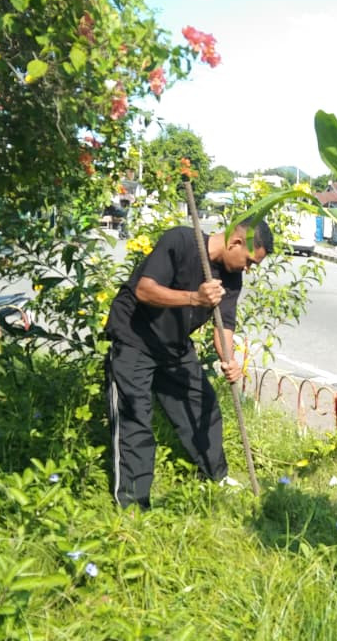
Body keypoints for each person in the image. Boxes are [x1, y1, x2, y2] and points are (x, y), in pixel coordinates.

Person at [105, 218, 273, 508]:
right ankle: (132, 506)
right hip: (135, 339)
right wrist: (194, 297)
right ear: (235, 242)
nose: (247, 269)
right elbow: (144, 290)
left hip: (174, 346)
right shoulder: (181, 241)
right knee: (135, 419)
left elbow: (225, 327)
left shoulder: (231, 278)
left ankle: (216, 476)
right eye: (249, 262)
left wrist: (229, 361)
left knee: (202, 403)